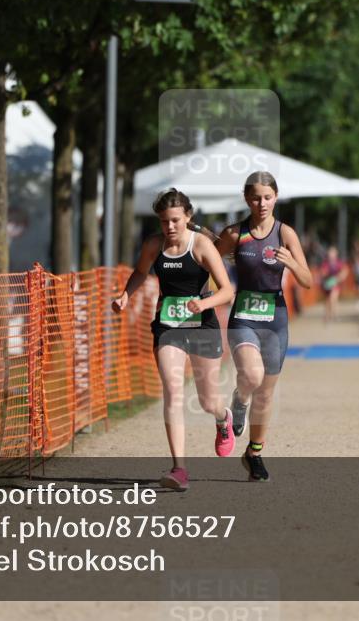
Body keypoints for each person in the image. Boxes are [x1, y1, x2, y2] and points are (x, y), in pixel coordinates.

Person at [112, 189, 235, 491]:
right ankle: (179, 468)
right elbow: (140, 272)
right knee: (173, 392)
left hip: (202, 325)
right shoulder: (154, 245)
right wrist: (126, 295)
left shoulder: (202, 245)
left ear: (188, 217)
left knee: (208, 401)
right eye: (164, 221)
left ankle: (223, 418)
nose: (170, 227)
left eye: (176, 221)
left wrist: (203, 304)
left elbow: (227, 290)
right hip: (168, 325)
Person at [215, 172, 312, 482]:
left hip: (276, 319)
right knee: (251, 376)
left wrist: (293, 263)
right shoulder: (234, 234)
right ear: (247, 198)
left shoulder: (286, 234)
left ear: (276, 198)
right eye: (256, 197)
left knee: (267, 394)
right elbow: (206, 261)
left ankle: (254, 453)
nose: (262, 203)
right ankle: (239, 402)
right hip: (243, 315)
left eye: (268, 197)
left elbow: (308, 281)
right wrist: (208, 296)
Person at [320, 246, 347, 324]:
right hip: (327, 284)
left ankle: (333, 315)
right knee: (327, 300)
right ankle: (327, 316)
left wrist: (339, 278)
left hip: (335, 284)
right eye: (330, 253)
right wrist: (325, 274)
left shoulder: (338, 263)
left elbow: (344, 271)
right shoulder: (326, 263)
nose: (331, 254)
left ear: (336, 254)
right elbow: (322, 273)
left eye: (333, 253)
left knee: (333, 298)